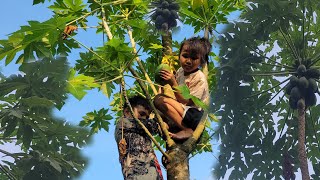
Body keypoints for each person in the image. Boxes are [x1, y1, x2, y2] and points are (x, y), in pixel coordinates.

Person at [154, 37, 211, 140]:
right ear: (179, 55)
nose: (188, 61)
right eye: (185, 56)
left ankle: (187, 130)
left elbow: (186, 101)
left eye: (194, 58)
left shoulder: (199, 78)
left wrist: (173, 83)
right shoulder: (180, 71)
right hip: (182, 112)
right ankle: (170, 127)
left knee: (159, 100)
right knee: (156, 109)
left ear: (201, 62)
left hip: (194, 115)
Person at [115, 95, 163, 180]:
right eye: (141, 114)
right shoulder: (123, 123)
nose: (144, 118)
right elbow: (150, 125)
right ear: (127, 112)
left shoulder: (141, 131)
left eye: (147, 117)